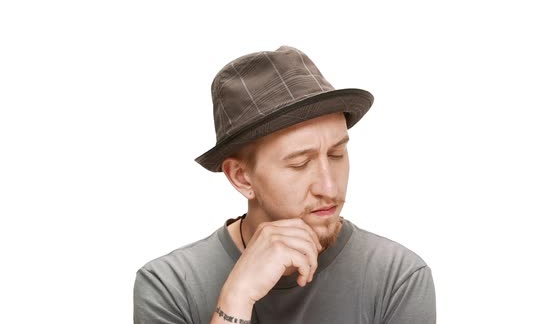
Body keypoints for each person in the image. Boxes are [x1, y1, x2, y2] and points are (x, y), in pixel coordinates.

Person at [133, 45, 436, 324]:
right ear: (241, 177)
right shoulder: (170, 285)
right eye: (299, 163)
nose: (329, 188)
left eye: (336, 153)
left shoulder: (397, 277)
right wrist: (237, 297)